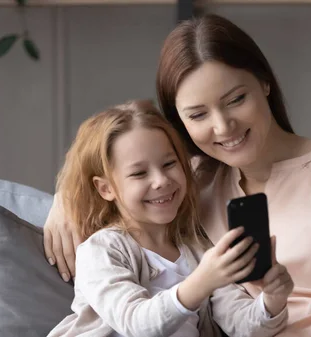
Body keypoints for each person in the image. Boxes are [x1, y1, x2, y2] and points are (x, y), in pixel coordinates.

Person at [44, 14, 311, 337]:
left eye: (236, 100)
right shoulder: (196, 181)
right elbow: (124, 158)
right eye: (197, 115)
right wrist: (67, 196)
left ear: (264, 83)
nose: (223, 127)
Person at [46, 100, 293, 337]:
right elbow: (136, 323)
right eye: (139, 173)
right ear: (106, 188)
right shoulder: (101, 251)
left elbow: (242, 326)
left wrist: (272, 300)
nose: (161, 180)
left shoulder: (198, 249)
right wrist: (201, 282)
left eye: (169, 164)